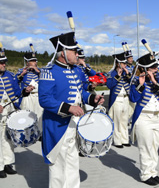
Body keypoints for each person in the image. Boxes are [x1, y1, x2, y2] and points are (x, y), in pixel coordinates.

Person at [38, 32, 104, 188]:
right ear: (63, 53)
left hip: (73, 124)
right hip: (57, 125)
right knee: (58, 167)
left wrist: (92, 99)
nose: (77, 54)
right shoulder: (49, 71)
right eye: (74, 51)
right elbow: (45, 100)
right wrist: (69, 108)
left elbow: (81, 93)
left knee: (73, 162)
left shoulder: (76, 71)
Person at [129, 52, 159, 186]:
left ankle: (153, 172)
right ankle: (145, 175)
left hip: (157, 117)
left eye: (156, 67)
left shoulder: (158, 79)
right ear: (145, 69)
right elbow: (133, 98)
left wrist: (154, 81)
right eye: (153, 68)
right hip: (144, 117)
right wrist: (140, 84)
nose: (156, 69)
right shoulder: (135, 80)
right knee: (145, 147)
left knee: (154, 147)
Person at [0, 42, 32, 178]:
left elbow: (18, 92)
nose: (4, 65)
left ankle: (7, 163)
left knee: (8, 138)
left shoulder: (10, 76)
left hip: (10, 111)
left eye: (4, 63)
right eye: (1, 63)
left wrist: (25, 91)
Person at [15, 44, 44, 134]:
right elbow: (16, 83)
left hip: (37, 97)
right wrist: (22, 74)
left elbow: (45, 81)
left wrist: (38, 71)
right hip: (27, 98)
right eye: (32, 61)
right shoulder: (21, 71)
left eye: (35, 60)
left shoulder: (40, 71)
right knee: (26, 116)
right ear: (27, 62)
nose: (34, 62)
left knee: (39, 116)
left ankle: (38, 133)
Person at [106, 52, 132, 148]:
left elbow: (132, 81)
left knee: (125, 120)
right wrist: (117, 76)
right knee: (116, 121)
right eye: (123, 63)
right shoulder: (112, 73)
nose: (125, 65)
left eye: (125, 63)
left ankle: (125, 139)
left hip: (126, 98)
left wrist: (127, 73)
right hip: (117, 99)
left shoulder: (127, 73)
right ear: (118, 63)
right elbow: (109, 85)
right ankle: (117, 141)